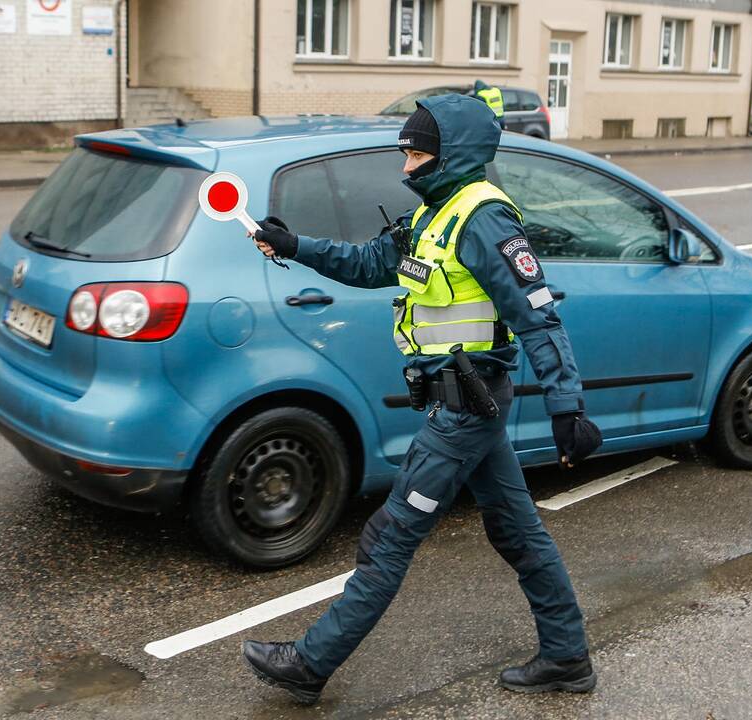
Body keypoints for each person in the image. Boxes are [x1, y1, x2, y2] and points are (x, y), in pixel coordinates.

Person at [241, 94, 602, 705]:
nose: (406, 165)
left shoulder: (483, 220)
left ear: (452, 154)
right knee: (518, 533)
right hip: (462, 403)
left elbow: (539, 317)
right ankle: (567, 657)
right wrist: (294, 244)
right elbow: (366, 263)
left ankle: (310, 663)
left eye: (416, 152)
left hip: (465, 406)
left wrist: (567, 407)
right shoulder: (435, 217)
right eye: (406, 151)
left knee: (390, 535)